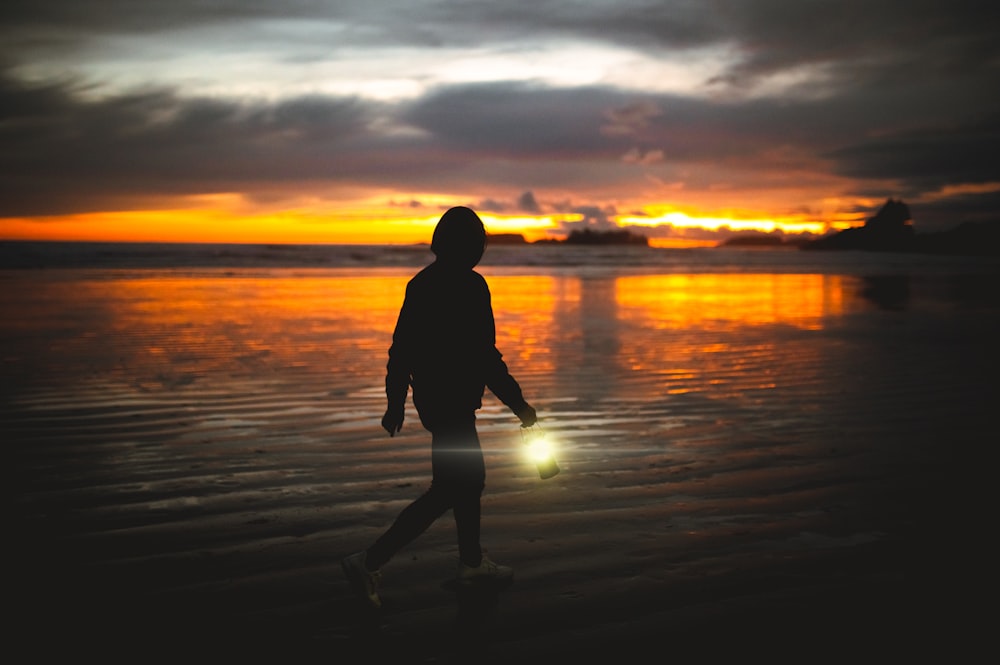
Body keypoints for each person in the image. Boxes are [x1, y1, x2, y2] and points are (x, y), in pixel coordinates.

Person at [342, 206, 537, 610]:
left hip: (433, 401)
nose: (481, 249)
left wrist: (395, 401)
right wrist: (518, 403)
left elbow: (401, 350)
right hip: (452, 405)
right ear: (466, 246)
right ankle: (369, 560)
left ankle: (471, 563)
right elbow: (485, 355)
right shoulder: (471, 287)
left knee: (467, 482)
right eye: (478, 241)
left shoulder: (421, 284)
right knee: (450, 488)